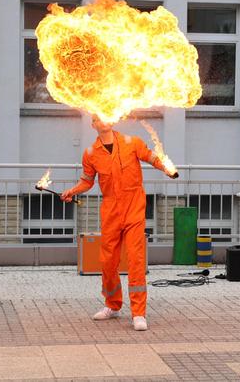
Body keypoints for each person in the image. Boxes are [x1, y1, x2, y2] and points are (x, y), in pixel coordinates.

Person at [60, 115, 176, 331]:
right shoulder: (91, 153)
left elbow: (152, 158)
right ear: (93, 125)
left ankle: (138, 313)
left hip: (134, 207)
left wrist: (167, 169)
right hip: (111, 210)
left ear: (112, 120)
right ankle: (112, 305)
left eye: (104, 116)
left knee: (136, 260)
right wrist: (72, 191)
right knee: (107, 261)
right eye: (97, 118)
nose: (102, 120)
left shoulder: (132, 143)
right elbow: (87, 181)